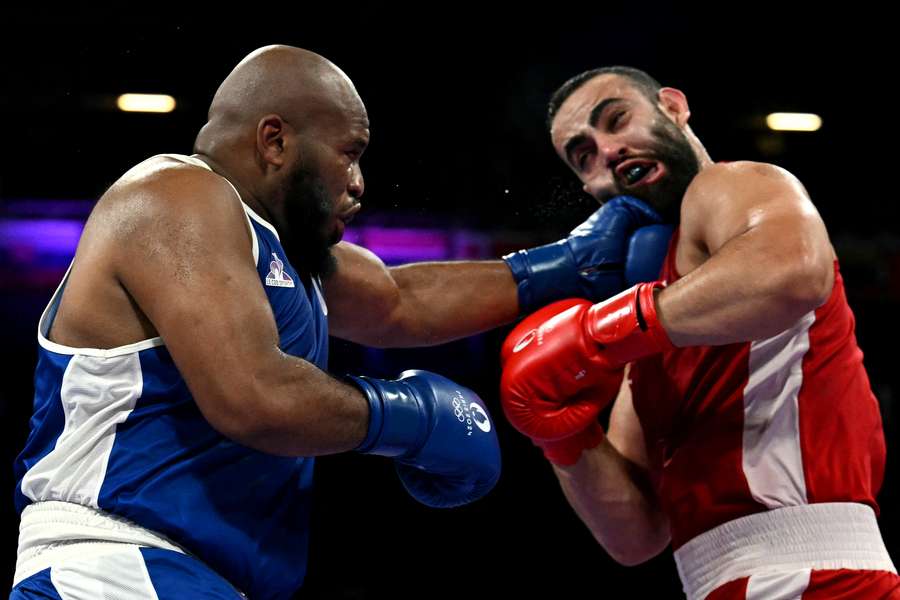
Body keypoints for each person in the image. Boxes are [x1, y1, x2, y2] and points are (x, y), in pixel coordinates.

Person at [9, 47, 668, 600]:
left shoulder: (283, 252)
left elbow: (400, 304)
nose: (358, 183)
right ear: (275, 142)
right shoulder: (175, 196)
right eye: (348, 153)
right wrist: (409, 418)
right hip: (112, 566)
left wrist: (568, 265)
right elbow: (253, 395)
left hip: (199, 577)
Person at [499, 66, 900, 599]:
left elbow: (795, 270)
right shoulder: (652, 322)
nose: (608, 152)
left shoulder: (735, 184)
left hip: (808, 574)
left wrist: (598, 333)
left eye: (617, 120)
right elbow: (635, 536)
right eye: (584, 155)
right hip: (724, 582)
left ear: (673, 107)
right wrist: (560, 433)